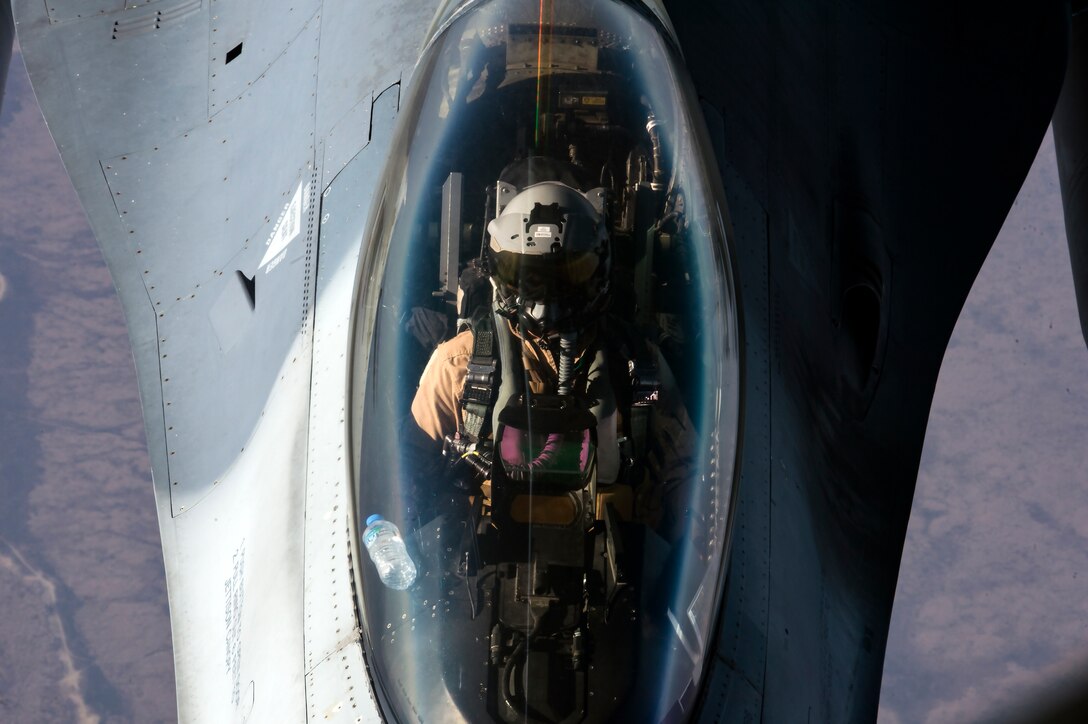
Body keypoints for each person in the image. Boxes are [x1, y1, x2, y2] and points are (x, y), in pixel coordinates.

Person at [408, 179, 692, 538]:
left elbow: (686, 477)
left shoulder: (637, 368)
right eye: (528, 279)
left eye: (566, 277)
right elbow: (408, 473)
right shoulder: (460, 365)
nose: (544, 305)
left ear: (598, 272)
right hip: (484, 560)